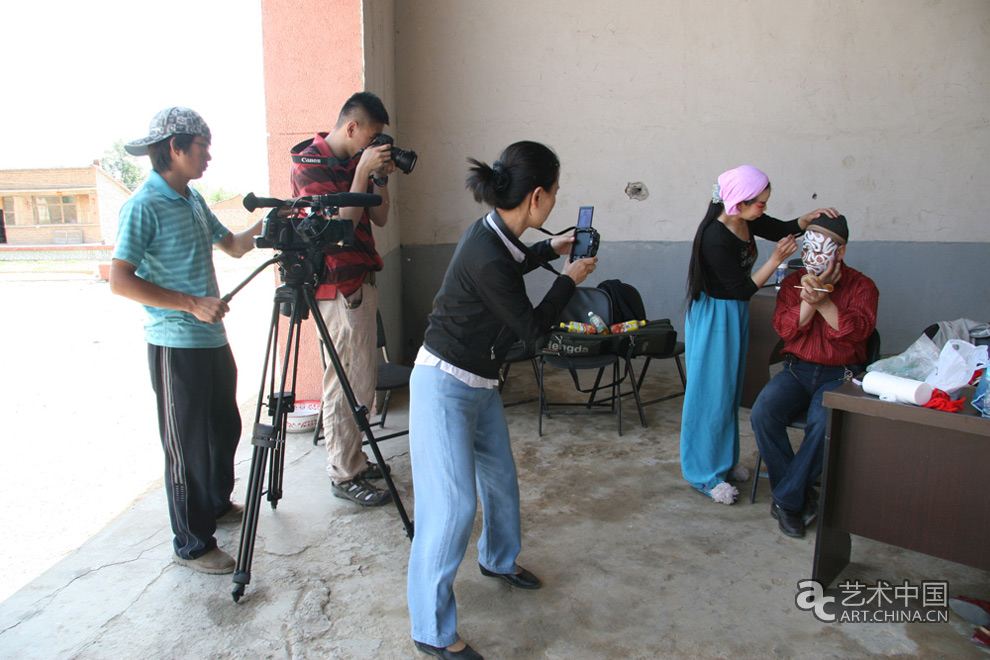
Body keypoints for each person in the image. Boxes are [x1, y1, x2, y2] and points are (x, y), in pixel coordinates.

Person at [406, 142, 597, 660]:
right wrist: (569, 279)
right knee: (451, 507)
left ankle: (497, 559)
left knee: (500, 479)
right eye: (555, 194)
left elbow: (513, 263)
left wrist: (550, 251)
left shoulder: (499, 234)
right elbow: (533, 331)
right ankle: (431, 628)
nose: (556, 201)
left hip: (479, 380)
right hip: (443, 384)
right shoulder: (487, 254)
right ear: (536, 197)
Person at [109, 107, 265, 574]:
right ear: (175, 148)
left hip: (212, 340)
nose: (208, 156)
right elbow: (120, 280)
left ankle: (216, 504)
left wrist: (278, 222)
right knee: (187, 447)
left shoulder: (192, 199)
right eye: (203, 147)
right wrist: (191, 303)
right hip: (174, 344)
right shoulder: (142, 205)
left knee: (224, 429)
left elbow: (234, 245)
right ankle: (193, 543)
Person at [681, 165, 838, 505]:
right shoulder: (714, 236)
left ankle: (723, 462)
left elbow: (781, 227)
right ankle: (703, 474)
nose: (763, 209)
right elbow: (740, 289)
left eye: (766, 202)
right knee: (709, 394)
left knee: (729, 391)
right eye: (760, 203)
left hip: (732, 313)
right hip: (715, 315)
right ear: (738, 202)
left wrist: (806, 219)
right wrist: (777, 259)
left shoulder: (747, 217)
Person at [289, 91, 396, 506]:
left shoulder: (357, 163)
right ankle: (343, 473)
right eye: (371, 138)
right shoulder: (307, 165)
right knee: (344, 382)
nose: (373, 147)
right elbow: (337, 231)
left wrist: (378, 176)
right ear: (351, 128)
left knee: (362, 380)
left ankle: (353, 458)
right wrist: (361, 173)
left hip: (361, 281)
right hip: (336, 288)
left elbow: (380, 217)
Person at [750, 214, 878, 537]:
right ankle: (799, 495)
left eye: (823, 249)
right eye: (809, 248)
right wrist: (809, 302)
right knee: (764, 411)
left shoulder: (863, 287)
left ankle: (786, 501)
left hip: (841, 375)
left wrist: (824, 303)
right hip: (797, 370)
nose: (813, 258)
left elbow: (857, 335)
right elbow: (784, 330)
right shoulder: (793, 284)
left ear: (841, 252)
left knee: (823, 421)